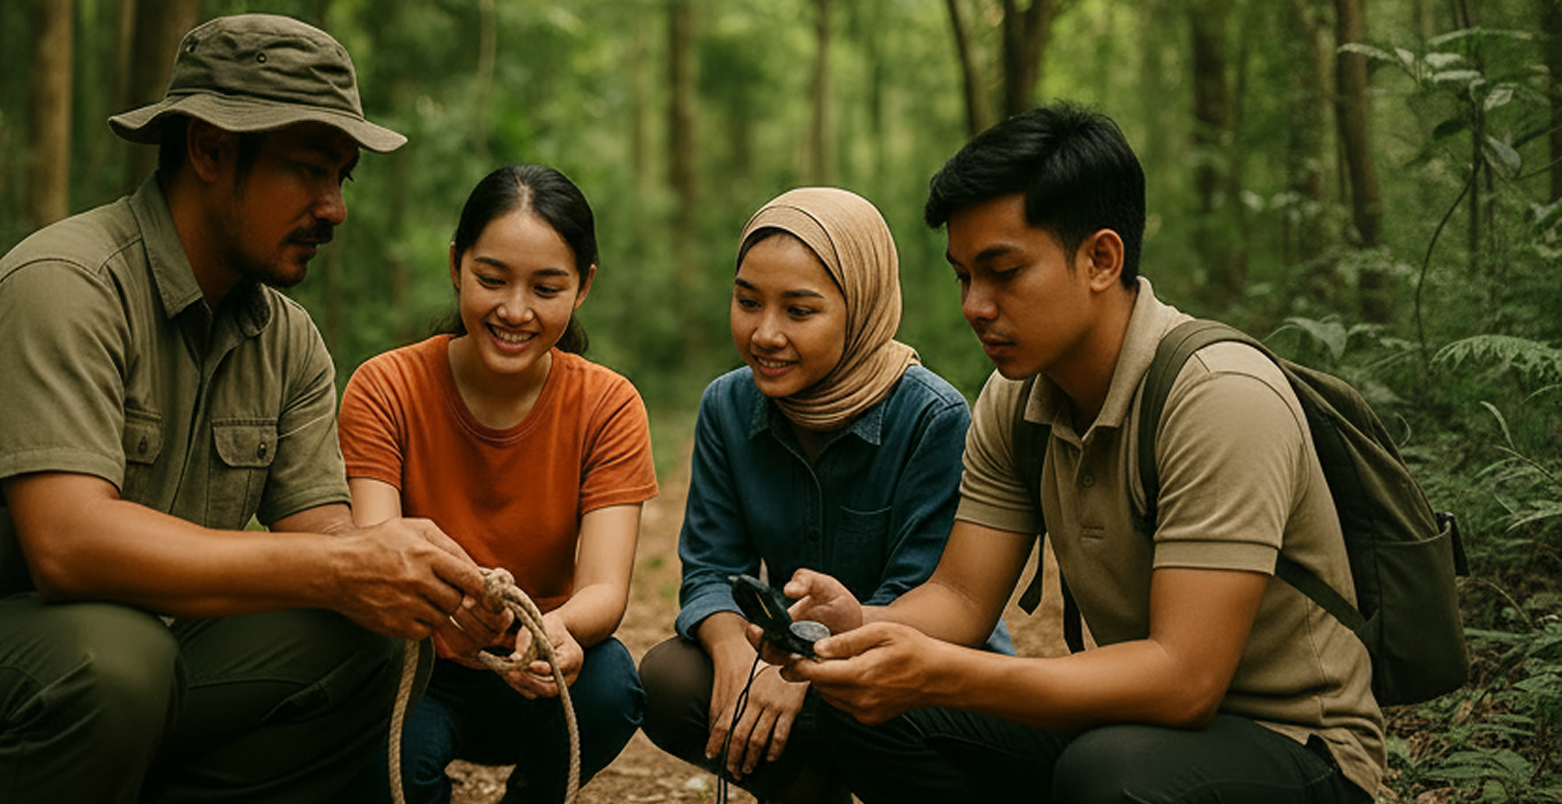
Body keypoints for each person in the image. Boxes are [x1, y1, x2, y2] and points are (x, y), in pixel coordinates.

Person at [0, 14, 493, 804]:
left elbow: (324, 544)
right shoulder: (65, 285)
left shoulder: (287, 340)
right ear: (209, 150)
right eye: (310, 170)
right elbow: (68, 548)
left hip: (133, 678)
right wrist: (345, 567)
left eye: (342, 177)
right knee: (114, 657)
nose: (334, 207)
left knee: (371, 637)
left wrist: (421, 580)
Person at [770, 104, 1385, 803]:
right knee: (863, 708)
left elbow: (1186, 682)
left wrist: (940, 674)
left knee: (1110, 773)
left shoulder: (1220, 397)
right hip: (1135, 726)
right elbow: (962, 598)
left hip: (1295, 747)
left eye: (1003, 272)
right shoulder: (1017, 399)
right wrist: (860, 628)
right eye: (963, 276)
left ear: (1101, 260)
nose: (974, 305)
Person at [638, 187, 1009, 804]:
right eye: (747, 302)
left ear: (860, 309)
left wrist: (801, 666)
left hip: (915, 674)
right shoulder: (727, 406)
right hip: (790, 657)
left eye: (799, 311)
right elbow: (710, 569)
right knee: (670, 680)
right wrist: (735, 653)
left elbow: (922, 596)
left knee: (862, 704)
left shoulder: (931, 418)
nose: (765, 333)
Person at [338, 163, 658, 804]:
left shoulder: (608, 406)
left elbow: (604, 588)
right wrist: (448, 613)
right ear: (455, 265)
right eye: (491, 279)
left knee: (611, 682)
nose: (515, 310)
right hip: (415, 669)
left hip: (539, 669)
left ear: (583, 287)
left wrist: (558, 630)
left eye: (546, 288)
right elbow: (379, 559)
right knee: (381, 765)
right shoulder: (384, 388)